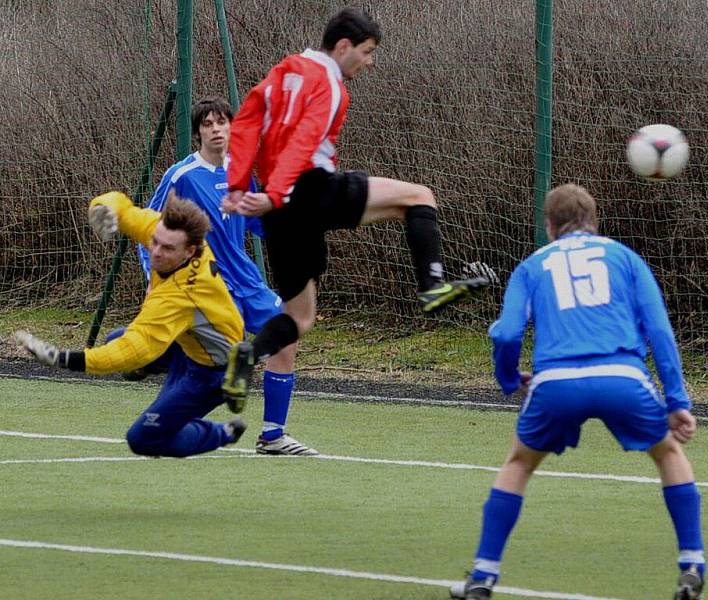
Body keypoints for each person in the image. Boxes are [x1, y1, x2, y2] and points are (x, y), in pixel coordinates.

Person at [450, 184, 706, 600]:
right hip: (622, 376)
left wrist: (509, 380)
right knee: (668, 453)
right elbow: (660, 330)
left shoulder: (531, 265)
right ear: (595, 221)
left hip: (556, 384)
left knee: (518, 464)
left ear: (549, 226)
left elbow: (508, 332)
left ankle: (483, 576)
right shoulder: (625, 257)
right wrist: (677, 402)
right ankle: (692, 563)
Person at [221, 7, 489, 383]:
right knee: (419, 197)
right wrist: (278, 192)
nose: (370, 61)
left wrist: (239, 186)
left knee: (299, 317)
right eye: (366, 51)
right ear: (343, 46)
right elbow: (304, 141)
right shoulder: (330, 85)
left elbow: (247, 121)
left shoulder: (284, 71)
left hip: (278, 209)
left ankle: (248, 354)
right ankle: (433, 286)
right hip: (309, 189)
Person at [132, 97, 317, 456]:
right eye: (208, 124)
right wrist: (153, 279)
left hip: (246, 281)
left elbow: (256, 222)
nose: (216, 130)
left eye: (222, 123)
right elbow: (148, 229)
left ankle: (273, 435)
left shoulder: (241, 171)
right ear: (198, 132)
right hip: (208, 286)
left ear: (232, 127)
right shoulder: (182, 176)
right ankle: (165, 425)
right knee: (215, 371)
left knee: (288, 332)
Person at [15, 192, 254, 458]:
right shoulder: (166, 234)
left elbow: (136, 348)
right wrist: (103, 208)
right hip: (188, 344)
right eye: (155, 243)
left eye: (167, 249)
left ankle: (224, 432)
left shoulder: (180, 295)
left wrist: (67, 359)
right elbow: (126, 209)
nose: (156, 252)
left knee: (143, 439)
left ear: (190, 251)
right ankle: (166, 386)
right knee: (114, 339)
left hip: (213, 372)